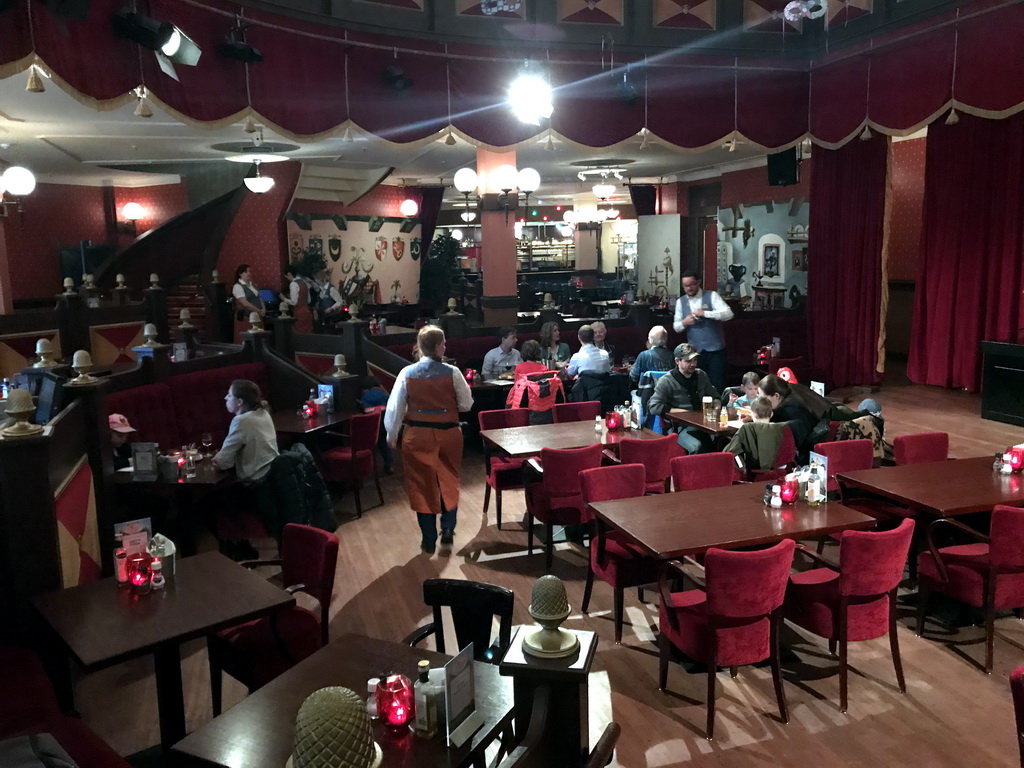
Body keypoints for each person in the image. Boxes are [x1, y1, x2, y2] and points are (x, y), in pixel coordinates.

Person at [384, 325, 473, 554]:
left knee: (421, 485)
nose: (445, 346)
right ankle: (448, 530)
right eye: (443, 343)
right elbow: (466, 404)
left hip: (418, 436)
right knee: (448, 480)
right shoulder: (453, 372)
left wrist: (391, 434)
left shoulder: (407, 373)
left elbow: (395, 408)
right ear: (436, 346)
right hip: (449, 434)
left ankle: (428, 539)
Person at [648, 343, 720, 454]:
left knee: (722, 441)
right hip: (680, 427)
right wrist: (682, 413)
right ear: (677, 361)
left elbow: (714, 395)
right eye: (688, 361)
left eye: (695, 360)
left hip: (705, 424)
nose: (693, 364)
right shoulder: (666, 381)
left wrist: (715, 407)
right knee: (697, 446)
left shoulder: (701, 375)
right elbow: (653, 406)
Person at [672, 270, 734, 393]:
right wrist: (685, 322)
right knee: (697, 385)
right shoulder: (680, 302)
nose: (689, 288)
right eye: (685, 286)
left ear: (698, 282)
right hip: (694, 354)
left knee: (717, 384)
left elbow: (729, 314)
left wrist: (706, 313)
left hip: (716, 351)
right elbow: (676, 327)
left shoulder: (712, 296)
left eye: (692, 284)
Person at [213, 379, 279, 482]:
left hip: (256, 482)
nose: (225, 398)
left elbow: (223, 462)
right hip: (274, 474)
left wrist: (215, 460)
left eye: (229, 396)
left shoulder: (241, 421)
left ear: (240, 402)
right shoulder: (264, 412)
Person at [757, 373, 820, 452]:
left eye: (763, 398)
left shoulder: (789, 410)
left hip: (806, 452)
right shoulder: (794, 394)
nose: (761, 401)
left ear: (776, 396)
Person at [723, 395, 785, 473]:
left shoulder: (747, 428)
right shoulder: (780, 428)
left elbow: (731, 452)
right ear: (771, 414)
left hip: (752, 471)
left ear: (754, 414)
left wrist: (742, 468)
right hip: (777, 469)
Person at [359, 375, 394, 475]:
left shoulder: (366, 396)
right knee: (384, 445)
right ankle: (389, 465)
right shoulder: (383, 394)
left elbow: (365, 410)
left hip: (372, 424)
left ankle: (368, 466)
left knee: (370, 446)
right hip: (385, 423)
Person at [232, 264, 264, 342]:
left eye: (249, 271)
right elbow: (245, 303)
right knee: (246, 341)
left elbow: (259, 298)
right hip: (246, 318)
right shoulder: (237, 286)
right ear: (240, 274)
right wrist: (258, 311)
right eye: (246, 272)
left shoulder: (253, 285)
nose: (249, 273)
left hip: (257, 317)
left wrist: (263, 309)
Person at [280, 264, 313, 334]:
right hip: (307, 311)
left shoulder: (293, 284)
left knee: (300, 335)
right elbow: (309, 300)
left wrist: (284, 299)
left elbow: (294, 302)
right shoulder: (304, 282)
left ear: (289, 274)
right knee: (308, 334)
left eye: (286, 277)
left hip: (299, 313)